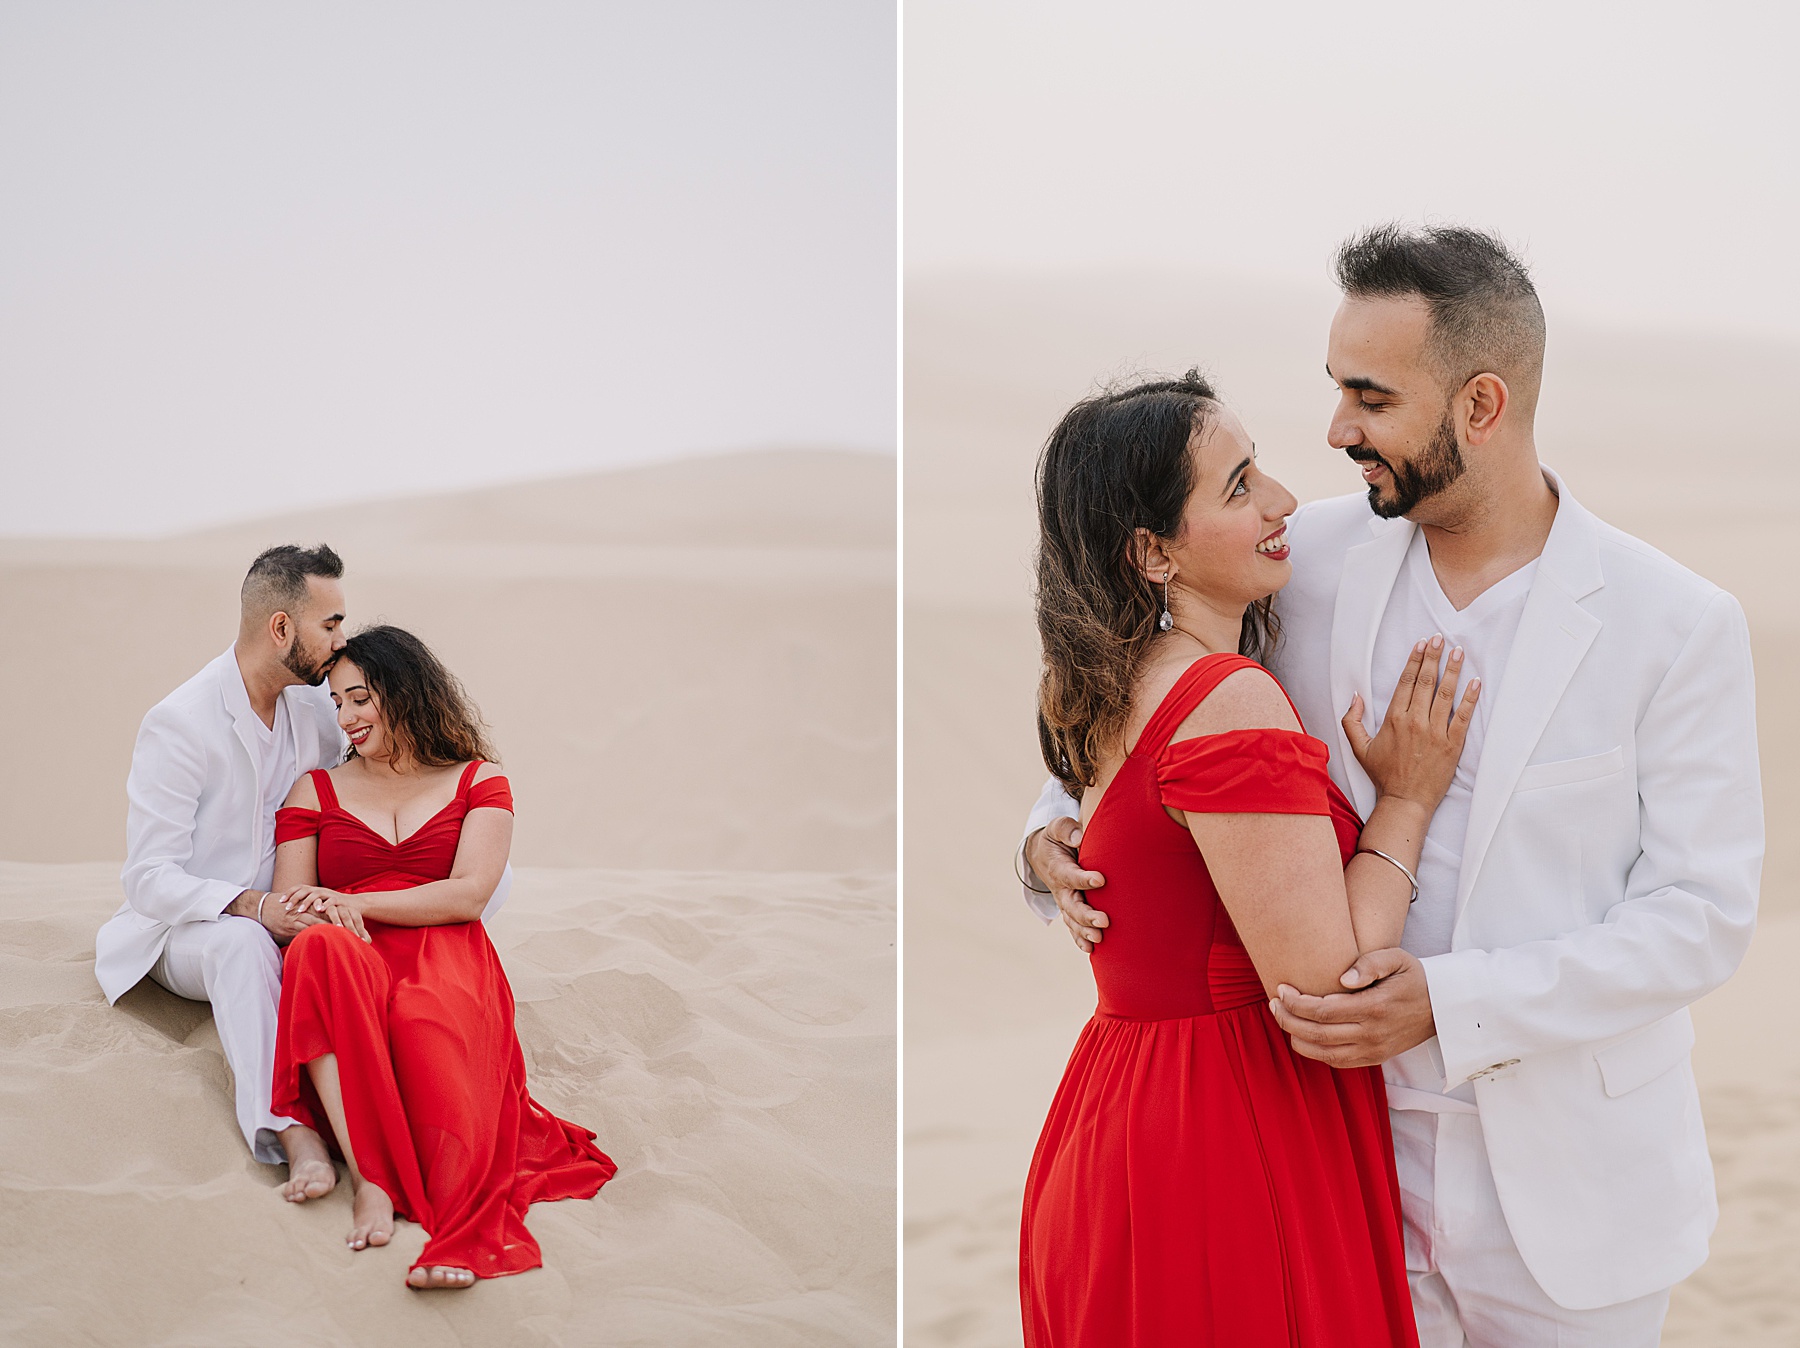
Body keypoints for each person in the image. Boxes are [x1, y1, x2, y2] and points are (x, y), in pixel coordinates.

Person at [1020, 225, 1763, 1346]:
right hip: (1340, 1170)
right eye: (1335, 390)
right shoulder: (1298, 557)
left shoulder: (1676, 624)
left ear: (1480, 405)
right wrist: (1042, 834)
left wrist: (1452, 1005)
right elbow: (1141, 709)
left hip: (1570, 1212)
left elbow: (1701, 920)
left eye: (1369, 398)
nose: (1335, 433)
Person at [1020, 369, 1481, 1345]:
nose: (1280, 501)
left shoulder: (1111, 687)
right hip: (1221, 1144)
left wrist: (1036, 845)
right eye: (1238, 486)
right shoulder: (1225, 699)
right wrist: (1408, 798)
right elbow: (1332, 985)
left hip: (1118, 1117)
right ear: (1152, 552)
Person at [269, 624, 615, 1288]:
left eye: (361, 699)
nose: (347, 717)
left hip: (445, 951)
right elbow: (293, 903)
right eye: (337, 703)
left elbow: (468, 894)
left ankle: (457, 1227)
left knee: (426, 1025)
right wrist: (329, 913)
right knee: (315, 950)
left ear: (404, 692)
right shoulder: (314, 790)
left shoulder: (480, 780)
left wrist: (359, 902)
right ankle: (371, 1181)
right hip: (349, 949)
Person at [96, 544, 352, 1201]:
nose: (341, 640)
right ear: (280, 628)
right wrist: (254, 906)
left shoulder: (317, 709)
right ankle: (293, 1135)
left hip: (287, 916)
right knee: (240, 945)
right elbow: (147, 879)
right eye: (330, 624)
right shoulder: (180, 723)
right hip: (187, 931)